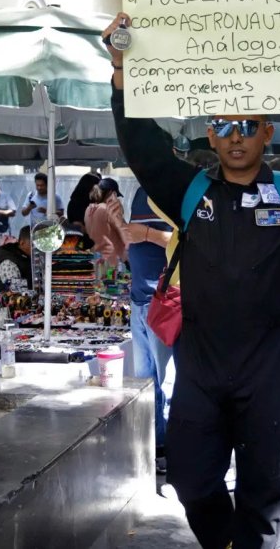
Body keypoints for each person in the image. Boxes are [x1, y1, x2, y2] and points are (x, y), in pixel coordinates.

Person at [107, 11, 280, 549]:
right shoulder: (190, 193)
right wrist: (121, 72)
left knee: (266, 497)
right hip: (202, 370)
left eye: (248, 126)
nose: (235, 138)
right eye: (225, 127)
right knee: (188, 478)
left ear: (266, 131)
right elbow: (142, 147)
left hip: (269, 372)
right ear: (211, 131)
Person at [127, 186, 175, 473]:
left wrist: (145, 235)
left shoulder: (173, 192)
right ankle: (154, 447)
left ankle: (173, 452)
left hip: (162, 303)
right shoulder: (140, 192)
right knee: (145, 384)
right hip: (139, 301)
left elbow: (185, 240)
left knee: (167, 383)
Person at [84, 178, 128, 268]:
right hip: (112, 260)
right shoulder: (108, 210)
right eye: (116, 195)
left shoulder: (89, 210)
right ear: (112, 193)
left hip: (96, 257)